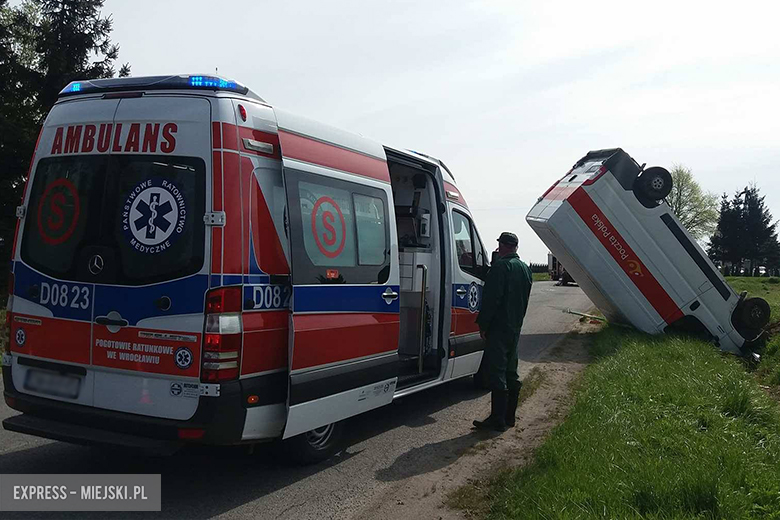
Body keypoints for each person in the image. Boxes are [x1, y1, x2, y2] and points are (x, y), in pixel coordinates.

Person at [473, 232, 533, 431]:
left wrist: (483, 324)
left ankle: (497, 419)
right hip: (514, 326)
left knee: (496, 371)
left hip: (499, 327)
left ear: (503, 246)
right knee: (510, 371)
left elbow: (492, 300)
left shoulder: (501, 267)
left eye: (499, 245)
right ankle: (509, 417)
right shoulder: (525, 269)